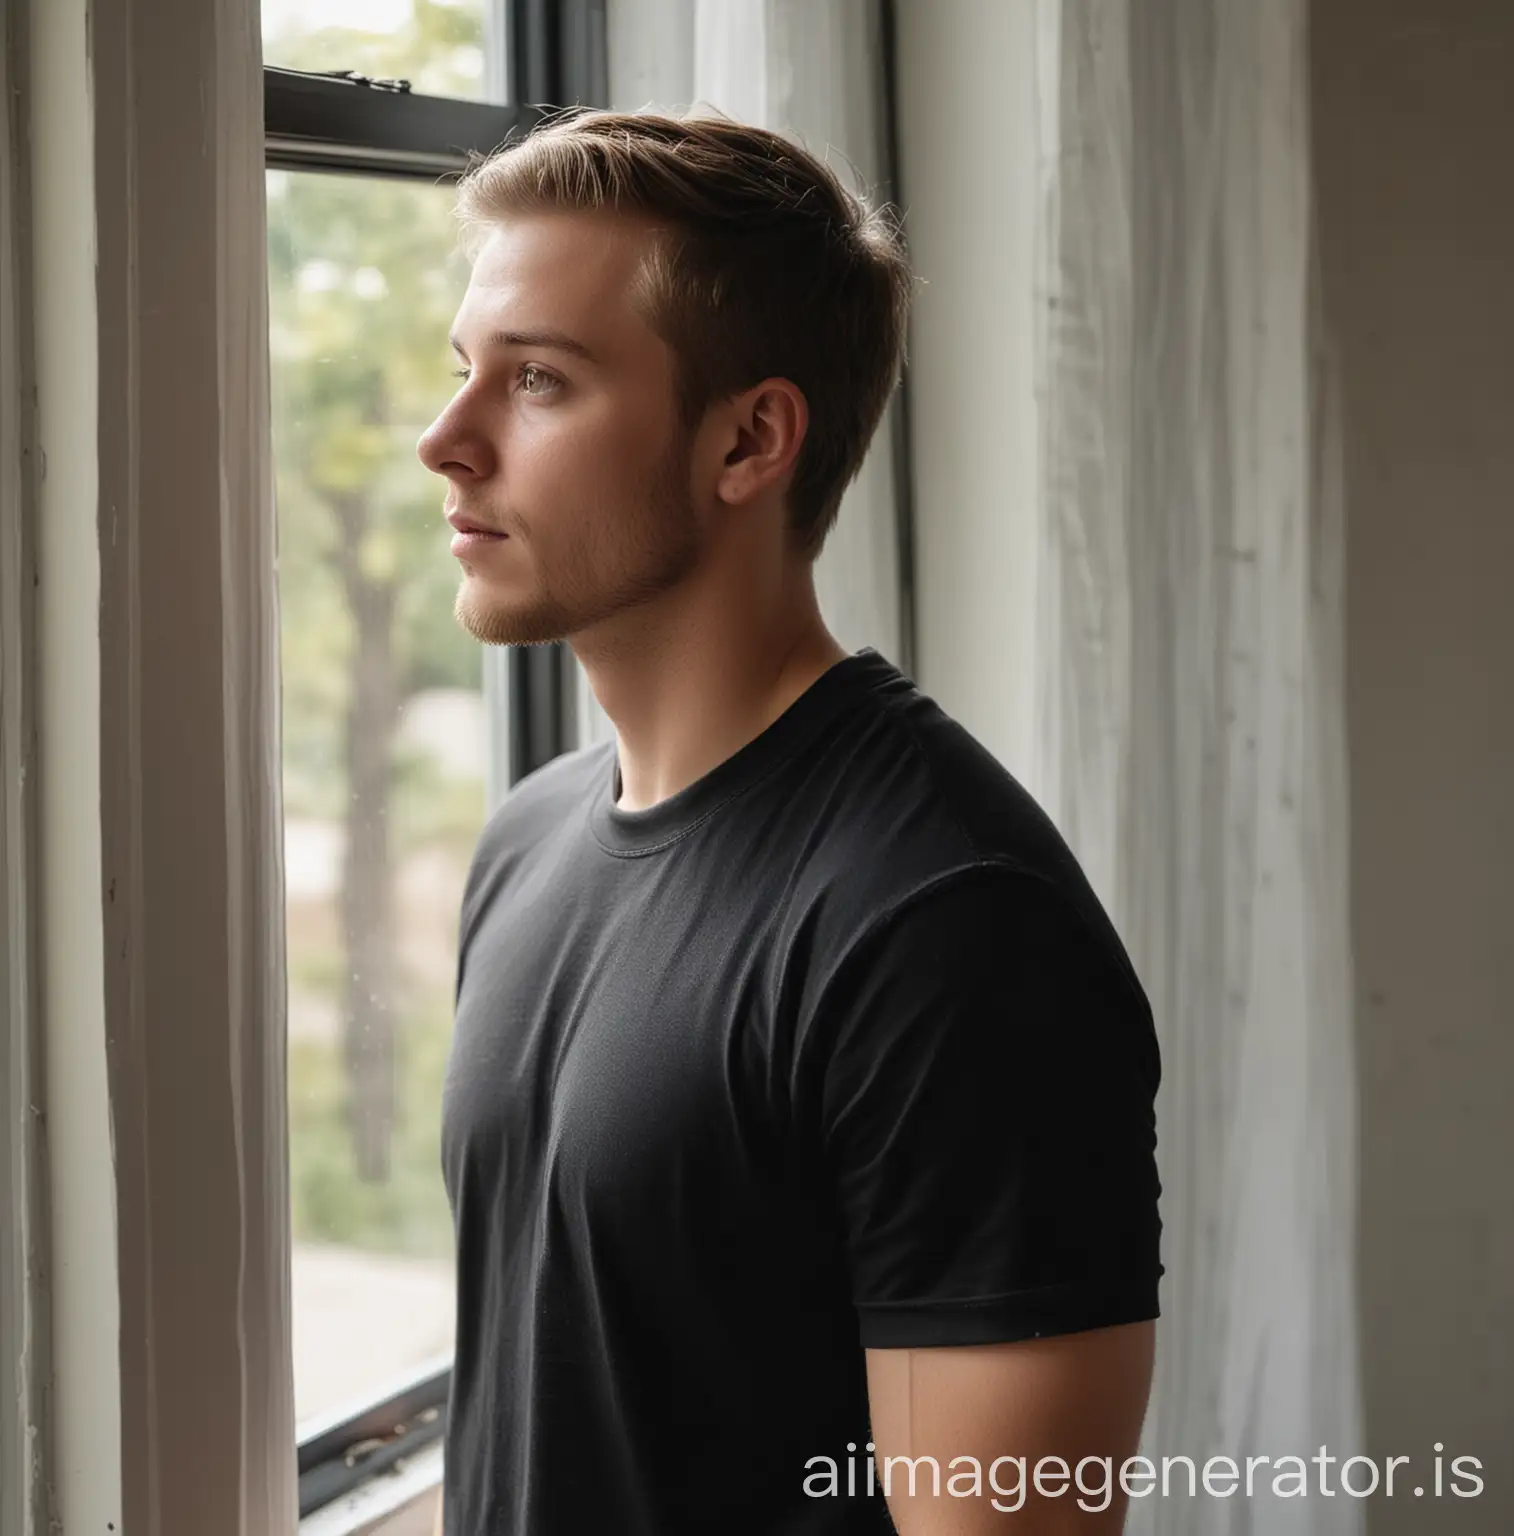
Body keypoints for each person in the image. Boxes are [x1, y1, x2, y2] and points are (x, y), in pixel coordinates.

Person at [418, 107, 1162, 1536]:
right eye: (466, 373)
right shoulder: (530, 840)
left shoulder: (947, 925)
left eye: (540, 384)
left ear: (750, 440)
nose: (448, 441)